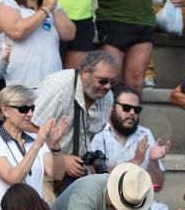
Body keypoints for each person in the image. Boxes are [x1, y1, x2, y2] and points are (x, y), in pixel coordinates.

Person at [31, 50, 119, 183]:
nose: (107, 87)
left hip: (73, 174)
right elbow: (28, 127)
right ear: (85, 73)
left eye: (112, 82)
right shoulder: (58, 86)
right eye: (102, 81)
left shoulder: (108, 97)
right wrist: (62, 159)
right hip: (40, 168)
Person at [89, 84, 170, 191]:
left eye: (136, 110)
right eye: (126, 108)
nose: (132, 113)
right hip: (105, 201)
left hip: (139, 203)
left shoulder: (144, 134)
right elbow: (97, 175)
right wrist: (136, 160)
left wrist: (152, 161)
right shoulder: (98, 132)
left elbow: (157, 186)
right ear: (111, 107)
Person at [0, 0, 75, 88]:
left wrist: (54, 6)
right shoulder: (6, 3)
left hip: (51, 87)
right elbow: (17, 31)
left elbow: (69, 34)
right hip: (17, 87)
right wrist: (45, 9)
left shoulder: (51, 9)